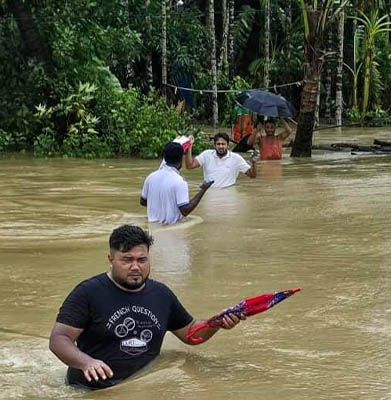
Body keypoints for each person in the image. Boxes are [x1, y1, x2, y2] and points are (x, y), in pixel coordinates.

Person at [49, 225, 245, 389]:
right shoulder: (88, 293)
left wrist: (216, 323)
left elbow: (191, 333)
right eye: (127, 260)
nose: (135, 266)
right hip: (90, 390)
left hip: (141, 385)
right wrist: (87, 362)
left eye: (142, 260)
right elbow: (59, 339)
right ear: (111, 259)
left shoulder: (161, 294)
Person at [141, 142, 212, 224]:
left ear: (164, 157)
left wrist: (161, 204)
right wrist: (203, 190)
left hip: (152, 226)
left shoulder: (150, 177)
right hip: (171, 229)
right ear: (181, 158)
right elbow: (185, 210)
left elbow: (143, 202)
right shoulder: (179, 182)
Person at [185, 132, 256, 188]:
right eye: (218, 144)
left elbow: (252, 175)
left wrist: (253, 163)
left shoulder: (236, 158)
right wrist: (189, 146)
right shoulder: (206, 155)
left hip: (228, 195)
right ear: (214, 145)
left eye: (223, 144)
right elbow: (189, 166)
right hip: (209, 194)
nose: (221, 146)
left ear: (228, 146)